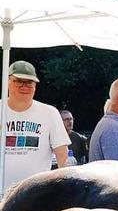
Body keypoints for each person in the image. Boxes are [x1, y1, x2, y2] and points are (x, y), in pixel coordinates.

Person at [2, 60, 69, 192]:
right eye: (19, 81)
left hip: (35, 196)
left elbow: (62, 153)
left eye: (30, 82)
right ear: (8, 81)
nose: (24, 86)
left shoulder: (49, 113)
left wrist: (63, 187)